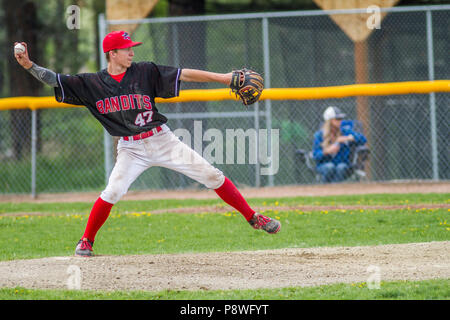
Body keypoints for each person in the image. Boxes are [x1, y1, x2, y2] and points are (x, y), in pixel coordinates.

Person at [14, 31, 281, 257]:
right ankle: (86, 240)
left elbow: (184, 75)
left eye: (132, 49)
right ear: (112, 54)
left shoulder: (145, 71)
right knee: (113, 191)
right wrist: (29, 66)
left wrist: (224, 78)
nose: (132, 53)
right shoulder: (92, 84)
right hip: (130, 148)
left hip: (161, 139)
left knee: (211, 174)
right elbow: (55, 79)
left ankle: (253, 217)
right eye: (126, 49)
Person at [312, 106, 367, 183]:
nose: (340, 121)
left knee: (341, 167)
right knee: (329, 167)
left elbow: (363, 139)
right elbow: (315, 155)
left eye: (341, 119)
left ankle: (335, 189)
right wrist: (326, 151)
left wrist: (348, 138)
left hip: (342, 163)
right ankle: (324, 188)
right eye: (337, 119)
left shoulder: (344, 131)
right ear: (330, 121)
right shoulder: (320, 135)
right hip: (324, 164)